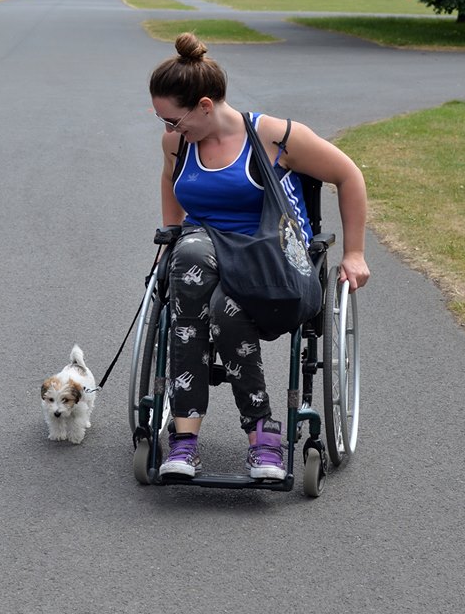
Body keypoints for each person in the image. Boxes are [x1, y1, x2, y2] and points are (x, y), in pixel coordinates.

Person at [148, 32, 370, 480]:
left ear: (205, 106)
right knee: (187, 258)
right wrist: (170, 237)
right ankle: (185, 438)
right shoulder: (177, 143)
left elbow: (348, 175)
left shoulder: (274, 136)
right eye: (163, 121)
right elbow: (171, 182)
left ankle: (262, 435)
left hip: (270, 259)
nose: (169, 130)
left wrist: (355, 252)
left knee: (226, 312)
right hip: (205, 251)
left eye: (173, 120)